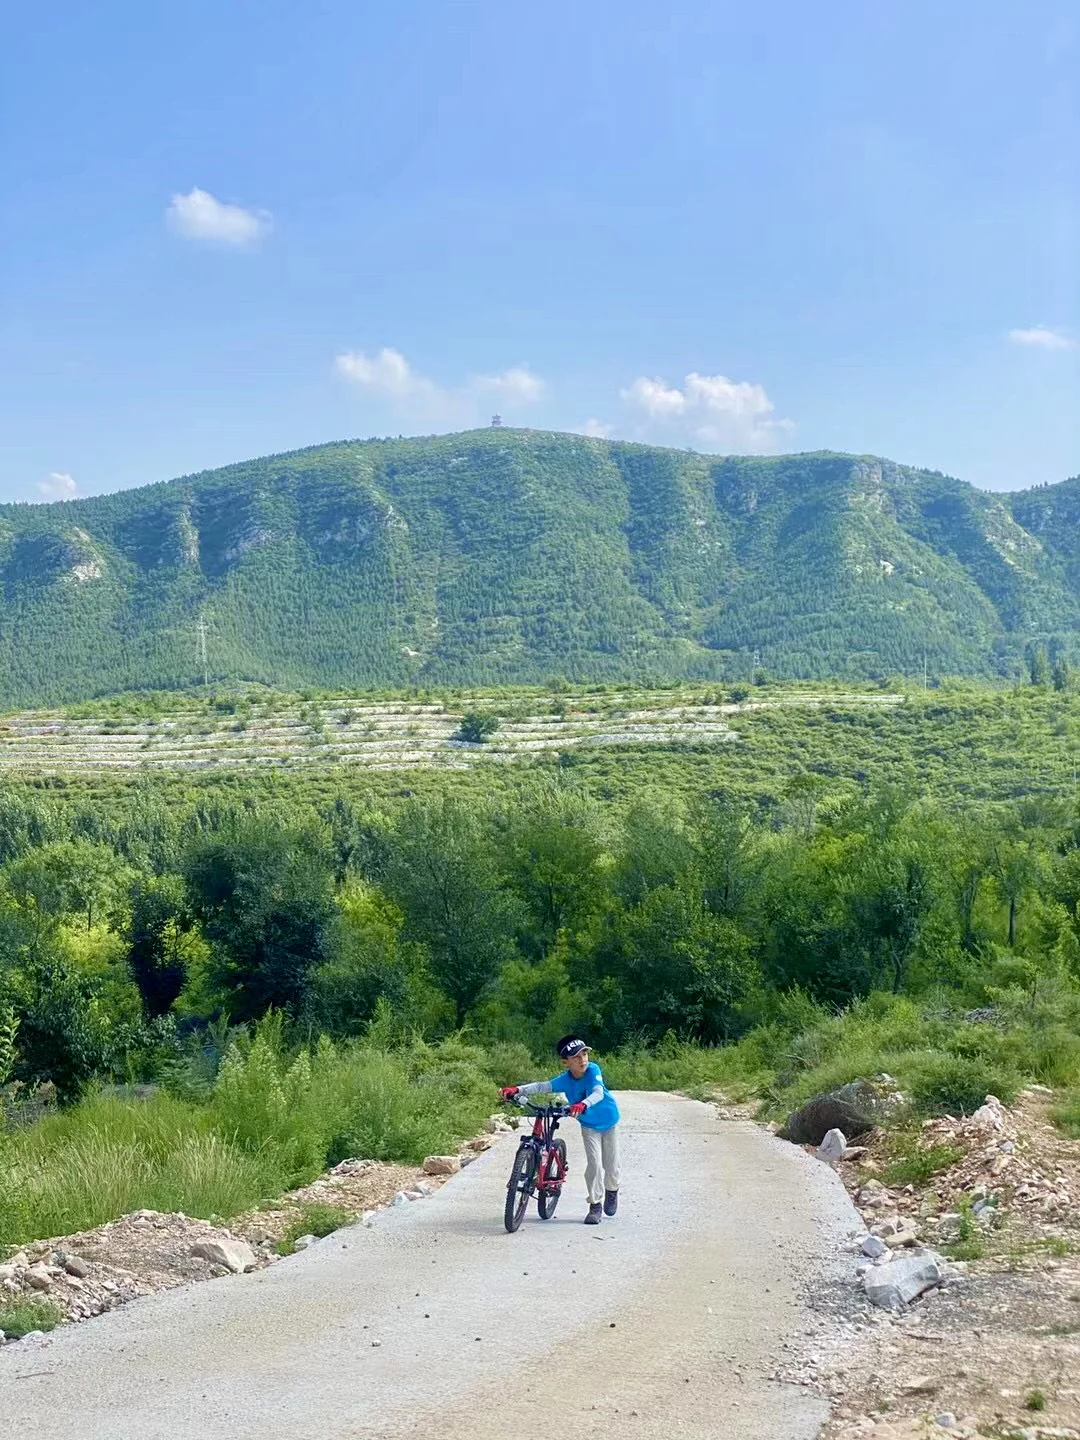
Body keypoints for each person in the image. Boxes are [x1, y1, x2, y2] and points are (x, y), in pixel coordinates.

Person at [501, 1035, 621, 1225]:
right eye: (576, 1057)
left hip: (609, 1121)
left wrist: (583, 1104)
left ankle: (612, 1190)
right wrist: (517, 1090)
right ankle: (595, 1205)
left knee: (611, 1165)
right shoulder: (565, 1080)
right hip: (589, 1126)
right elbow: (543, 1086)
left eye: (584, 1055)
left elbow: (598, 1092)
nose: (582, 1060)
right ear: (566, 1063)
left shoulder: (593, 1070)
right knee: (594, 1164)